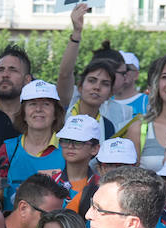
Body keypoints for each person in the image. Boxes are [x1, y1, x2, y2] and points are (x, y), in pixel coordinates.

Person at [56, 5, 137, 147]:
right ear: (80, 87)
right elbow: (65, 74)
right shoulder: (69, 102)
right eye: (92, 80)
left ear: (110, 92)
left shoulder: (117, 118)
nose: (97, 87)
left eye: (105, 83)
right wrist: (76, 33)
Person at [0, 80, 65, 210]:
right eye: (32, 104)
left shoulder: (67, 150)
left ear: (56, 113)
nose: (39, 109)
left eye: (46, 104)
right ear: (23, 113)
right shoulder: (8, 149)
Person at [49, 115, 101, 213]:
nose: (70, 146)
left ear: (95, 149)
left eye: (78, 142)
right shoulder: (50, 183)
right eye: (65, 140)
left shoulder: (101, 186)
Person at [113, 51, 148, 117]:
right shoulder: (103, 102)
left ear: (136, 74)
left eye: (127, 68)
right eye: (116, 68)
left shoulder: (147, 103)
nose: (122, 71)